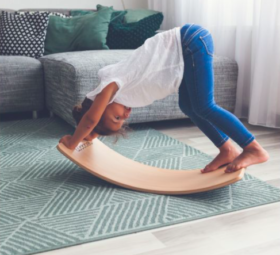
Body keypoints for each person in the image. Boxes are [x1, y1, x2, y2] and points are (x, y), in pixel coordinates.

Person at [59, 23, 269, 174]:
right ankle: (227, 149)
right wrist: (90, 136)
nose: (125, 115)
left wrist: (72, 141)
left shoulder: (111, 84)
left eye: (116, 118)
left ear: (98, 106)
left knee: (205, 106)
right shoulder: (116, 95)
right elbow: (93, 124)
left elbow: (90, 120)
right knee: (188, 105)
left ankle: (253, 148)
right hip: (187, 49)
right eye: (121, 121)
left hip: (191, 42)